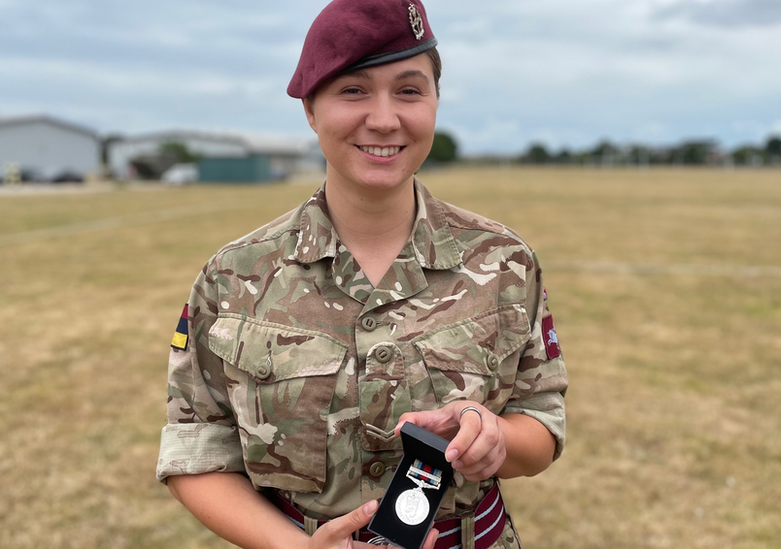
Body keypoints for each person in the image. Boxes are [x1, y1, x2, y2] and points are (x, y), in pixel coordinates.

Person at [155, 1, 568, 547]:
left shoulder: (504, 261)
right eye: (353, 90)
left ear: (436, 102)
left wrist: (494, 438)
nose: (383, 118)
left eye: (409, 90)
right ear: (310, 107)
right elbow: (196, 450)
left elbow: (540, 421)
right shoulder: (234, 276)